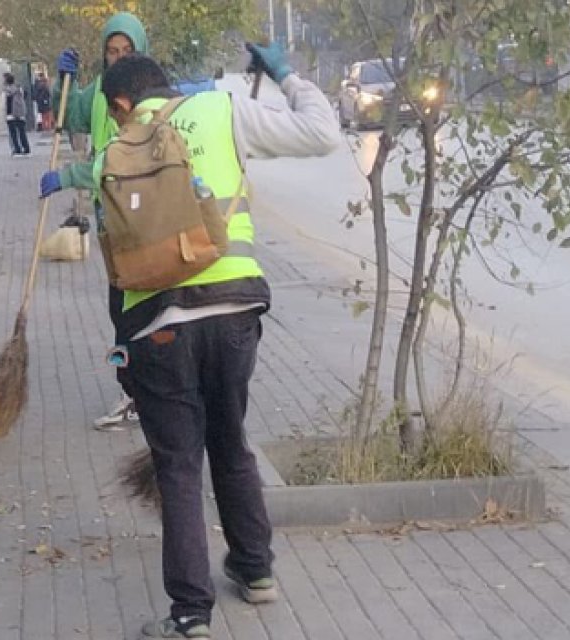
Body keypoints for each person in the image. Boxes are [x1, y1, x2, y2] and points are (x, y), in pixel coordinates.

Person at [90, 49, 338, 638]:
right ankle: (255, 572)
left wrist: (122, 359)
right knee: (232, 443)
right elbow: (323, 133)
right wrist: (285, 75)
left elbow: (116, 274)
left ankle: (191, 614)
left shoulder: (111, 155)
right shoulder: (221, 110)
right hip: (233, 311)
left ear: (123, 104)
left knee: (177, 468)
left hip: (157, 327)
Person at [42, 11, 150, 430]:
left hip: (144, 216)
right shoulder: (98, 95)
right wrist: (61, 85)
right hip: (111, 220)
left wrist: (70, 175)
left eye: (127, 51)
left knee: (134, 310)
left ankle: (138, 390)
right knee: (120, 309)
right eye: (112, 51)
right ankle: (133, 388)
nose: (119, 59)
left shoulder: (148, 97)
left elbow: (120, 162)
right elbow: (68, 116)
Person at [3, 73, 31, 157]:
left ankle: (17, 149)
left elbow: (5, 104)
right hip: (20, 113)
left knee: (13, 133)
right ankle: (26, 149)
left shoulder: (7, 91)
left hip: (11, 114)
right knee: (22, 132)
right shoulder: (19, 89)